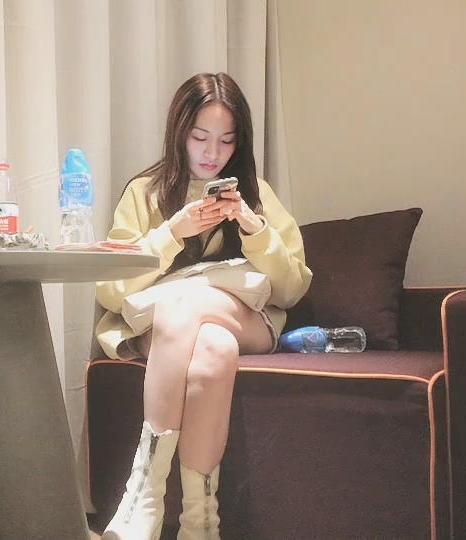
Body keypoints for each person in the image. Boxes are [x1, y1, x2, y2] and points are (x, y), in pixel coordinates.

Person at [95, 72, 312, 539]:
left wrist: (254, 229)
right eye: (200, 137)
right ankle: (201, 524)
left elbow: (292, 290)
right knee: (213, 347)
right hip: (170, 328)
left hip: (244, 317)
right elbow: (110, 291)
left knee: (186, 304)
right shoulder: (145, 192)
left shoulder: (257, 194)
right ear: (179, 132)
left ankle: (144, 496)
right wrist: (171, 233)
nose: (213, 153)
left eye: (226, 140)